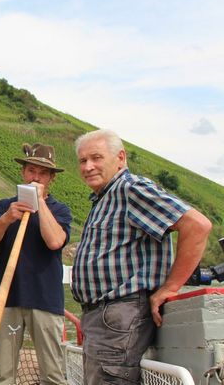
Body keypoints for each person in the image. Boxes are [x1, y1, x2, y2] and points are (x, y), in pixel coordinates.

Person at [72, 129, 212, 385]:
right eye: (83, 161)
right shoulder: (104, 198)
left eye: (96, 158)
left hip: (117, 315)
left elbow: (197, 226)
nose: (88, 166)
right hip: (105, 319)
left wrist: (171, 287)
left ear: (120, 158)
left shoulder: (130, 189)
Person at [0, 143, 72, 385]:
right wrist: (6, 218)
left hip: (45, 300)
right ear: (23, 172)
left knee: (52, 375)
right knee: (3, 374)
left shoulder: (59, 210)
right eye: (31, 170)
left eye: (43, 173)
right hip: (8, 299)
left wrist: (39, 203)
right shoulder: (5, 206)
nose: (36, 177)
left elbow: (55, 241)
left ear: (51, 179)